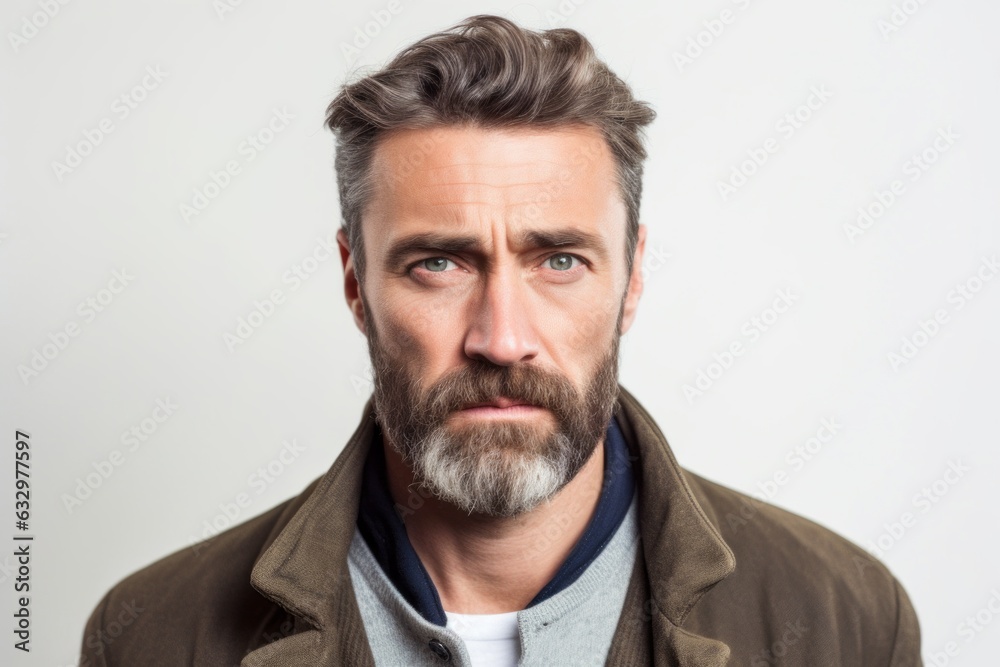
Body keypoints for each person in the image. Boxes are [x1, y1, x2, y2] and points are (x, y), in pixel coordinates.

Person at [79, 14, 922, 666]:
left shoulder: (845, 616)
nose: (502, 337)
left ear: (630, 278)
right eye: (439, 263)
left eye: (559, 259)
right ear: (354, 282)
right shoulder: (157, 632)